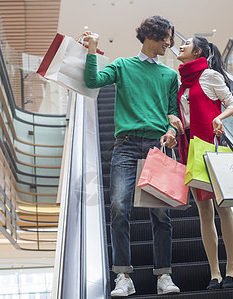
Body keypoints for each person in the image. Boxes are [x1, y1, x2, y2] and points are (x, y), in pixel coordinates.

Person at [83, 15, 181, 297]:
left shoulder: (169, 75)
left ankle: (164, 276)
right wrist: (92, 49)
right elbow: (92, 80)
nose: (169, 43)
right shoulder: (123, 66)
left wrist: (170, 131)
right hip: (124, 146)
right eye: (166, 37)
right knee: (118, 209)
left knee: (161, 214)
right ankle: (123, 277)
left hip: (156, 147)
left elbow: (171, 114)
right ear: (151, 35)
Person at [170, 36, 233, 290]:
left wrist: (220, 117)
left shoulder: (209, 76)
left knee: (223, 207)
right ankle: (215, 272)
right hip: (191, 149)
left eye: (186, 43)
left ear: (198, 51)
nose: (180, 45)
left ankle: (231, 268)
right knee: (204, 211)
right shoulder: (182, 82)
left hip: (212, 147)